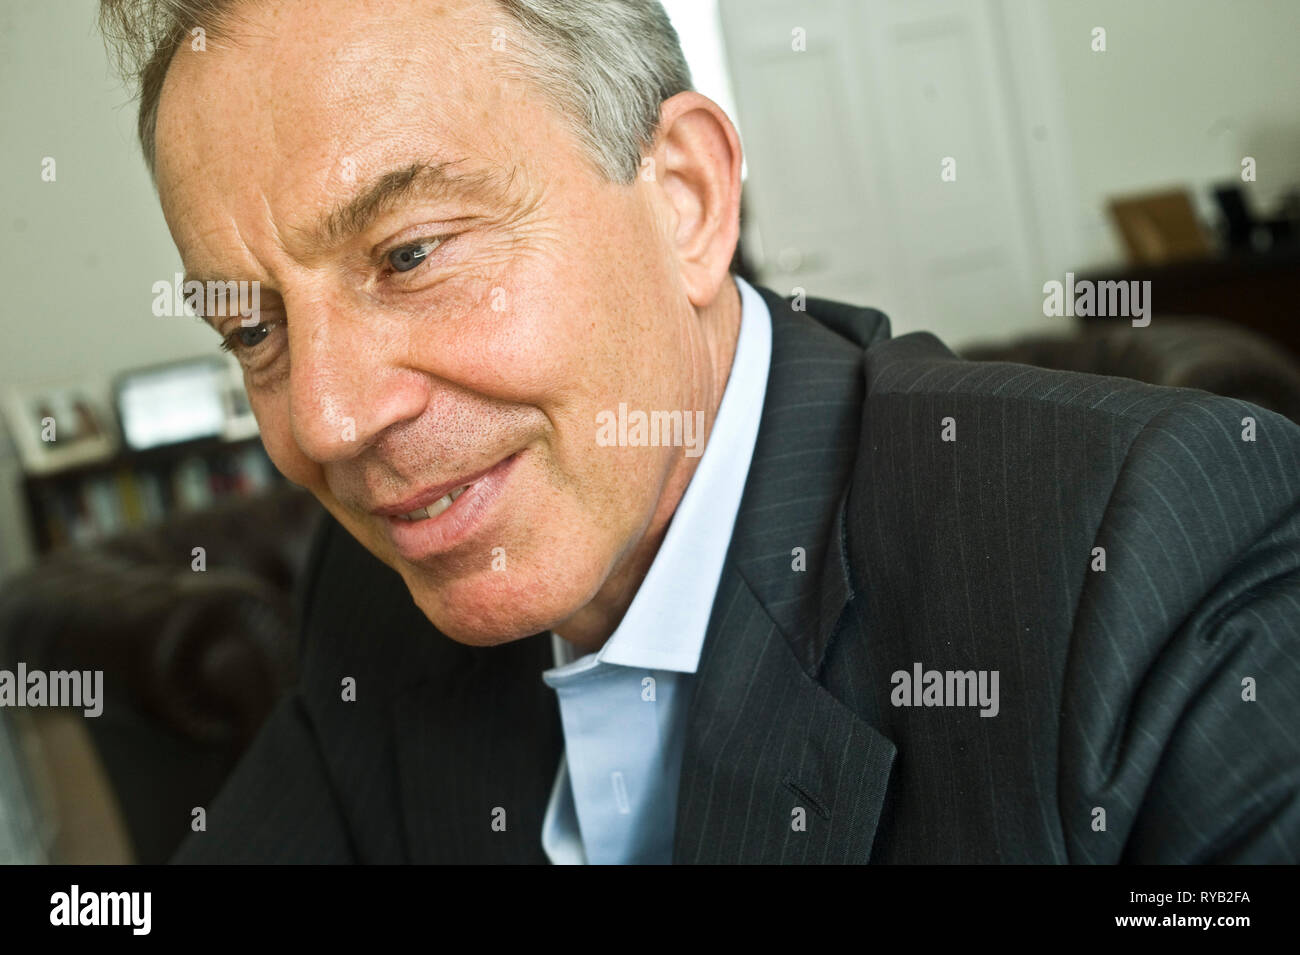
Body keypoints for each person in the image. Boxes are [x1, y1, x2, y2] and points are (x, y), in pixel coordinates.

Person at [98, 0, 1300, 863]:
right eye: (253, 330)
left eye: (410, 255)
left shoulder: (1139, 551)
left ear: (684, 197)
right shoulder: (371, 600)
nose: (328, 419)